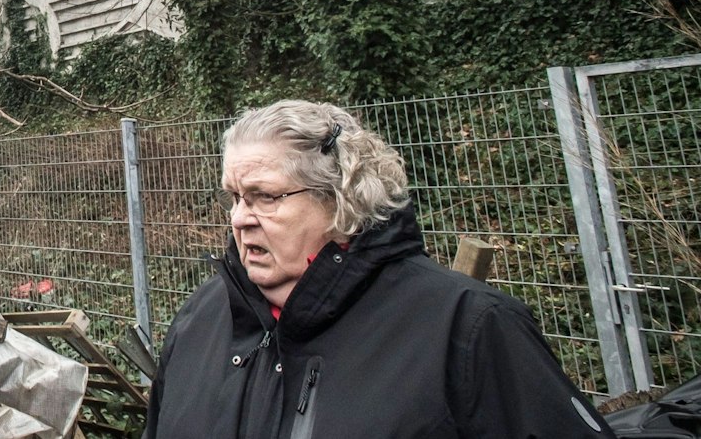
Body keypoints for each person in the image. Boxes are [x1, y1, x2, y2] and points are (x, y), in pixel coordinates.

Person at [146, 99, 614, 439]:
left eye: (265, 197)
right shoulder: (200, 319)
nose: (240, 218)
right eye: (234, 197)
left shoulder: (468, 327)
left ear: (341, 200)